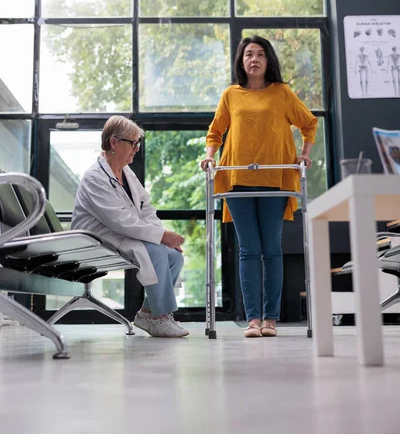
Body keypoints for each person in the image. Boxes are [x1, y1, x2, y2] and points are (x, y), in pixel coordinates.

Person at [200, 36, 318, 338]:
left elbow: (308, 123)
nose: (254, 59)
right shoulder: (231, 94)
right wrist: (210, 157)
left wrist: (304, 154)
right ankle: (253, 320)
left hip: (275, 178)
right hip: (237, 177)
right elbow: (215, 131)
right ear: (241, 60)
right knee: (249, 251)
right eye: (249, 54)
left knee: (271, 250)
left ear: (269, 61)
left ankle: (271, 320)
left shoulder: (282, 93)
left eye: (261, 54)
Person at [71, 115, 189, 338]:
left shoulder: (126, 172)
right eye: (132, 143)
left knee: (174, 257)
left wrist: (164, 237)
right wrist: (161, 237)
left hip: (120, 234)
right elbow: (119, 221)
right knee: (154, 250)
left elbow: (146, 209)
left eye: (138, 143)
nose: (136, 149)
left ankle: (146, 313)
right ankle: (160, 318)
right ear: (114, 142)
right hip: (96, 240)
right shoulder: (94, 177)